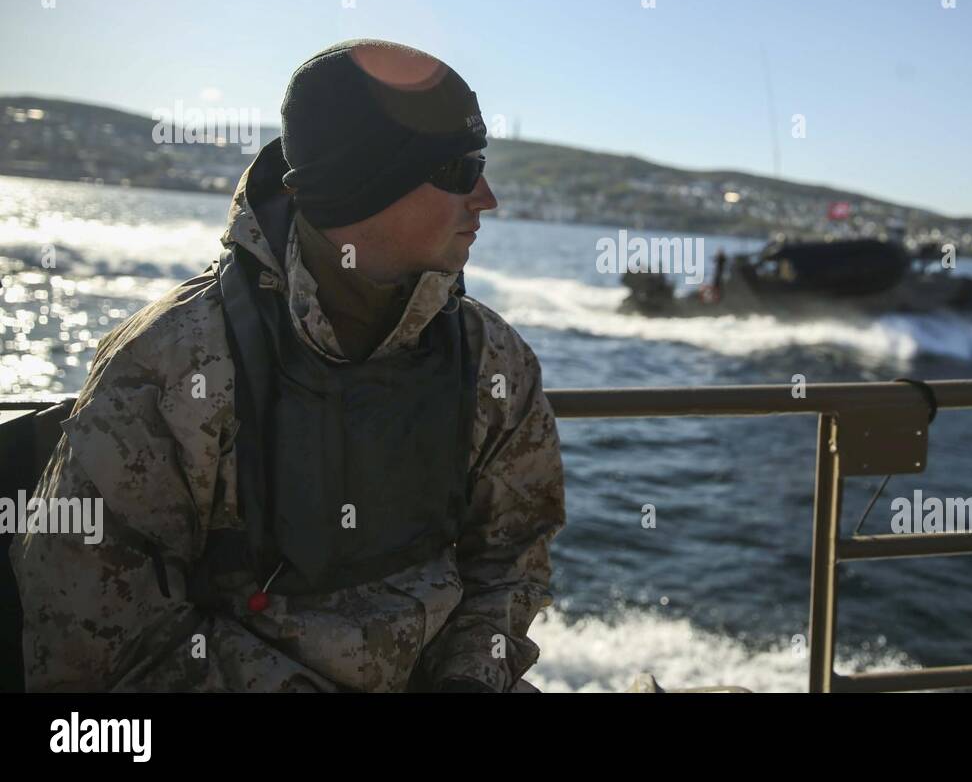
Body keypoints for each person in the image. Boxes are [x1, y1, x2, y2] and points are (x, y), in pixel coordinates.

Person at [9, 39, 566, 692]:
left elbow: (510, 561)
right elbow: (96, 652)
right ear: (363, 184)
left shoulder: (491, 362)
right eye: (459, 168)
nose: (487, 198)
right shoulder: (172, 367)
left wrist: (470, 681)